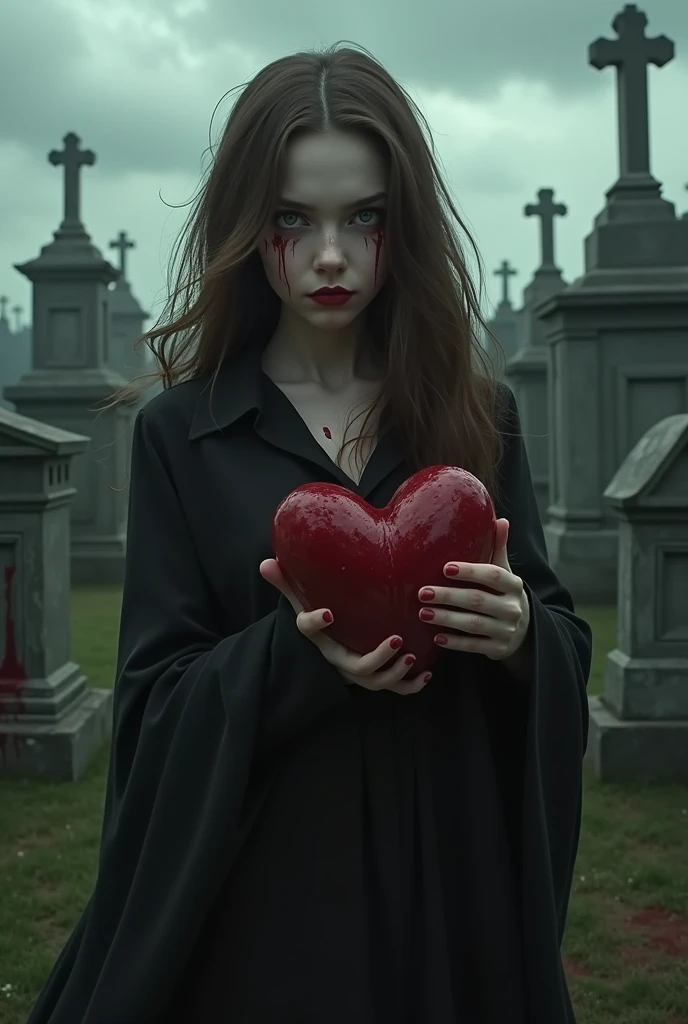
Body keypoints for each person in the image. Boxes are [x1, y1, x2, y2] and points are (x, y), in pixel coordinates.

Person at [27, 43, 592, 1024]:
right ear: (250, 226)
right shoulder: (181, 434)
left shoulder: (476, 413)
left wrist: (519, 636)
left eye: (363, 216)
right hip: (265, 899)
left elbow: (559, 639)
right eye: (293, 218)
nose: (330, 255)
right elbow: (156, 710)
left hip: (445, 890)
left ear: (401, 223)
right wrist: (299, 658)